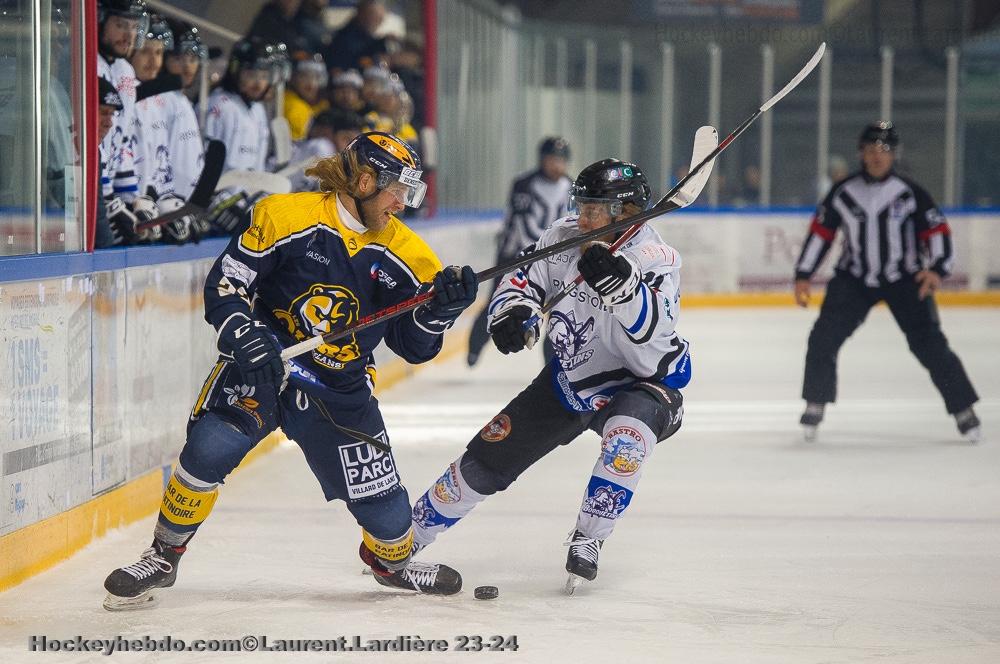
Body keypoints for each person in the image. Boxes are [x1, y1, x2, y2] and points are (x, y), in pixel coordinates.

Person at [102, 132, 478, 610]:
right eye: (396, 191)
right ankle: (163, 554)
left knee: (388, 520)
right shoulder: (284, 216)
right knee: (209, 446)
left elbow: (413, 346)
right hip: (265, 367)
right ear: (364, 180)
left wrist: (437, 313)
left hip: (339, 389)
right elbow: (227, 282)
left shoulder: (409, 255)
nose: (402, 204)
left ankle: (392, 565)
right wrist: (243, 334)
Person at [410, 159, 691, 593]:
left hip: (645, 383)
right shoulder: (563, 235)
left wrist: (624, 290)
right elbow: (523, 279)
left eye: (595, 208)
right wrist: (512, 312)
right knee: (490, 454)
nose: (584, 216)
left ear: (628, 213)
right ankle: (407, 536)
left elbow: (652, 339)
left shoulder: (656, 259)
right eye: (582, 205)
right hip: (572, 377)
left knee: (628, 436)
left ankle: (589, 537)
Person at [794, 121, 981, 442]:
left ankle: (964, 410)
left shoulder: (910, 193)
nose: (877, 156)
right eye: (870, 150)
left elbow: (937, 232)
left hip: (905, 280)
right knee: (823, 338)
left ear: (894, 154)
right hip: (854, 279)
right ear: (861, 154)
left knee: (930, 345)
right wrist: (803, 275)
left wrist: (936, 269)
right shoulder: (844, 191)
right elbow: (821, 233)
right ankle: (816, 403)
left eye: (884, 150)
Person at [467, 137, 572, 367]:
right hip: (515, 255)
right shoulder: (524, 184)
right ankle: (474, 349)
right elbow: (521, 226)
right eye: (552, 160)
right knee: (498, 300)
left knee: (560, 312)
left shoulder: (570, 187)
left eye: (561, 161)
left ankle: (553, 368)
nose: (556, 165)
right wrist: (539, 252)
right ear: (542, 160)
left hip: (554, 257)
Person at [129, 15, 202, 244]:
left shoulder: (163, 99)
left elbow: (163, 161)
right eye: (145, 52)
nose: (153, 61)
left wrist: (168, 199)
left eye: (159, 53)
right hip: (134, 203)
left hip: (163, 201)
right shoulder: (141, 95)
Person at [202, 38, 276, 235]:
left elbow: (256, 167)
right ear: (236, 71)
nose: (259, 83)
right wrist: (211, 200)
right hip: (217, 205)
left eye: (263, 75)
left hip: (246, 203)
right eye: (252, 74)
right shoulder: (219, 106)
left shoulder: (258, 109)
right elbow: (202, 159)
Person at [97, 0, 147, 203]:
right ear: (100, 21)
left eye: (134, 27)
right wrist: (107, 198)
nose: (129, 35)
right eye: (120, 25)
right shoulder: (84, 62)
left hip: (108, 191)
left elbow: (123, 135)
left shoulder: (126, 70)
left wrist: (129, 199)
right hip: (88, 189)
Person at [324, 0, 388, 73]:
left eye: (380, 19)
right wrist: (374, 60)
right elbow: (348, 63)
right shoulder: (344, 38)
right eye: (374, 17)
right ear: (361, 14)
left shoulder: (372, 40)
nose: (377, 22)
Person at [283, 52, 330, 141]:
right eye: (304, 76)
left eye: (316, 77)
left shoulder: (322, 107)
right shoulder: (291, 105)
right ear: (294, 79)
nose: (310, 82)